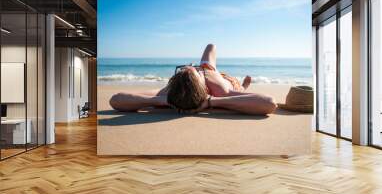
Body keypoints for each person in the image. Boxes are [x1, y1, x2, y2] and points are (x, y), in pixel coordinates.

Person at [109, 44, 277, 115]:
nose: (190, 67)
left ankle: (242, 86)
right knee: (212, 49)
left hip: (192, 87)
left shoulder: (168, 93)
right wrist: (212, 102)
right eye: (193, 71)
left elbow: (116, 100)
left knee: (209, 51)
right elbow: (270, 104)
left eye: (181, 70)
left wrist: (163, 100)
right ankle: (244, 86)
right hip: (222, 80)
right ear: (203, 88)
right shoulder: (220, 90)